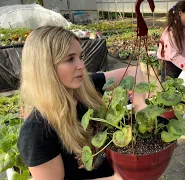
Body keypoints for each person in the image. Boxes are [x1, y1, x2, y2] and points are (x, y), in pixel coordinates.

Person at [17, 26, 147, 180]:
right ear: (45, 67)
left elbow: (134, 72)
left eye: (81, 57)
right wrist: (120, 178)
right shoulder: (37, 131)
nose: (81, 66)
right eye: (70, 59)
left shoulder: (83, 88)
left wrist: (140, 106)